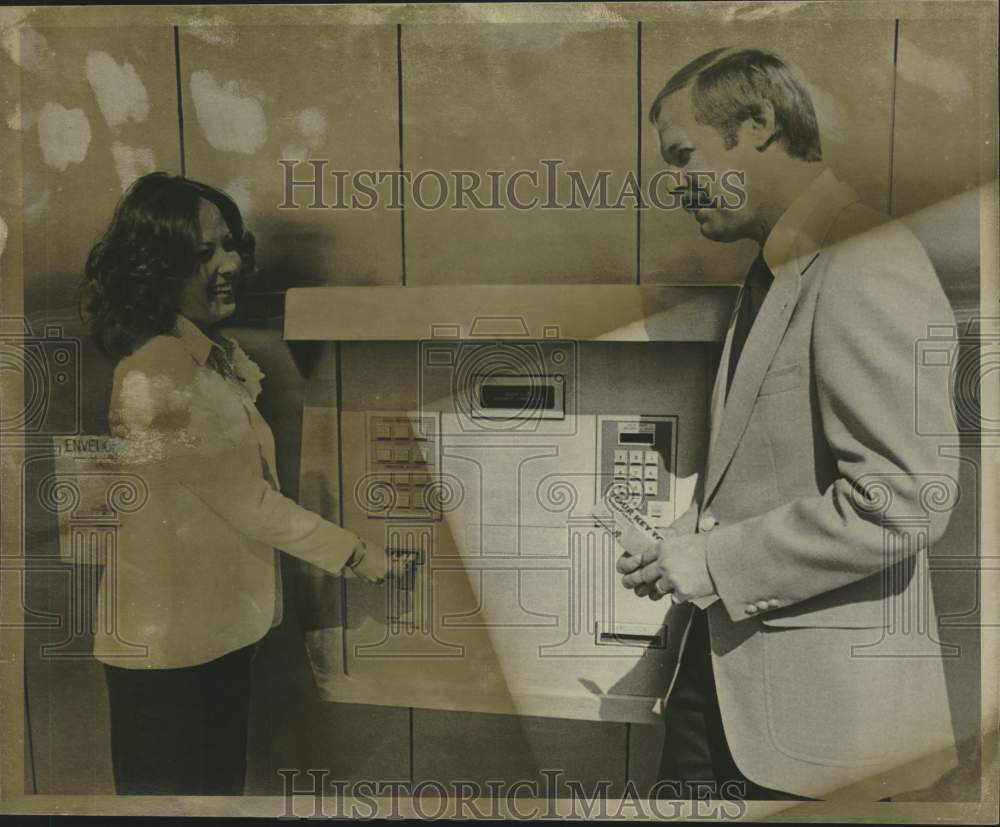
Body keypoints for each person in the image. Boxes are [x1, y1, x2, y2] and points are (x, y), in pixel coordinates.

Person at [619, 48, 960, 800]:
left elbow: (905, 499)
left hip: (818, 736)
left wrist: (715, 562)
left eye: (683, 158)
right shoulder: (777, 269)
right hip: (735, 698)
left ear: (760, 124)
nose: (673, 187)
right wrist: (694, 540)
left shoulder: (863, 258)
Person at [81, 172, 398, 795]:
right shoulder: (153, 375)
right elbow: (246, 500)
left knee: (215, 796)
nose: (228, 264)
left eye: (230, 245)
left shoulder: (205, 358)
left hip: (213, 641)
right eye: (203, 253)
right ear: (157, 268)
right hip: (165, 660)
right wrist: (356, 554)